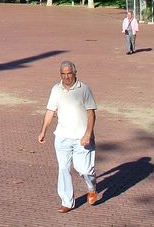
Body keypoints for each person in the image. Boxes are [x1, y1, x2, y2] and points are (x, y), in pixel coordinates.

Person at [37, 60, 99, 213]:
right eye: (63, 74)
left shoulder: (84, 89)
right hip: (62, 136)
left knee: (84, 170)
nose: (66, 77)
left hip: (82, 137)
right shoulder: (56, 89)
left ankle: (92, 188)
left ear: (75, 73)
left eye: (69, 74)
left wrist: (88, 134)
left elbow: (91, 113)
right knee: (63, 168)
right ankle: (67, 202)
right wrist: (43, 130)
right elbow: (50, 111)